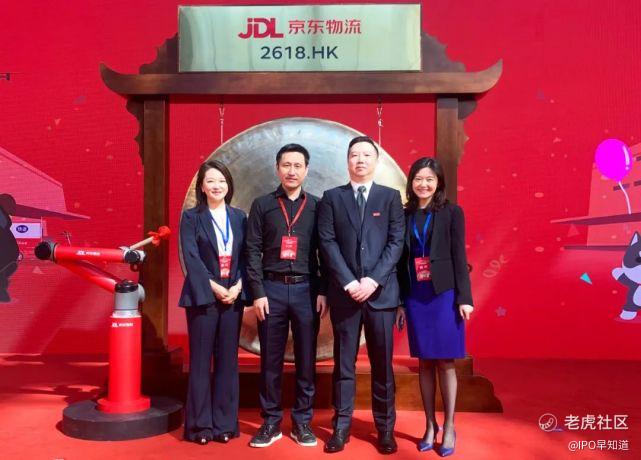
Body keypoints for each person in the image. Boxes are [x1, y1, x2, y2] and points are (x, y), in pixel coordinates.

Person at [317, 136, 405, 454]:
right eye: (354, 155)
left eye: (367, 155)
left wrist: (372, 280)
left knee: (382, 365)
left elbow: (396, 242)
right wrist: (348, 282)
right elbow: (326, 243)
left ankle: (385, 428)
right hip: (346, 295)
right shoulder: (332, 198)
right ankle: (341, 427)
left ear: (376, 160)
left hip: (381, 295)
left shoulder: (390, 197)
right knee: (344, 365)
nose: (360, 160)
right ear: (347, 160)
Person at [245, 143, 327, 448]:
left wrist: (324, 291)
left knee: (306, 359)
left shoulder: (318, 206)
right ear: (277, 168)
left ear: (306, 170)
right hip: (272, 290)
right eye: (286, 165)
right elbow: (251, 250)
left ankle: (302, 422)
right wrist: (257, 292)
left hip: (307, 290)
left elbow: (326, 252)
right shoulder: (262, 205)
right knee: (271, 359)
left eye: (298, 165)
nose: (292, 171)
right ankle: (271, 421)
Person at [396, 157, 474, 457]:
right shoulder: (404, 214)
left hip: (444, 294)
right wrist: (400, 302)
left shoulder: (452, 213)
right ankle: (430, 424)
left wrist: (465, 298)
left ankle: (450, 425)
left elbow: (459, 255)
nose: (423, 184)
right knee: (424, 362)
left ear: (438, 182)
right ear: (411, 182)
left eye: (429, 179)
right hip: (415, 294)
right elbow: (399, 261)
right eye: (418, 178)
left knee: (445, 361)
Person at [179, 160, 247, 445]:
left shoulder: (239, 217)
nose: (217, 186)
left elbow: (248, 255)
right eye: (211, 181)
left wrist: (239, 286)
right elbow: (191, 258)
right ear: (202, 187)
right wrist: (215, 287)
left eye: (222, 180)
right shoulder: (191, 217)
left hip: (234, 296)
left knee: (228, 362)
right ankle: (200, 427)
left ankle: (225, 424)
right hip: (203, 296)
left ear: (228, 185)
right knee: (200, 362)